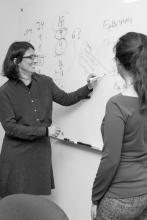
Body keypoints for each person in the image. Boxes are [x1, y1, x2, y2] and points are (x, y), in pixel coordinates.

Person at [0, 41, 97, 198]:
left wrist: (88, 87)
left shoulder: (45, 82)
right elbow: (10, 127)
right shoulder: (4, 92)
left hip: (40, 151)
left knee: (35, 202)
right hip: (16, 156)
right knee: (15, 202)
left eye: (35, 56)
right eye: (30, 57)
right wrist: (45, 131)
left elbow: (66, 98)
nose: (34, 60)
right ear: (16, 61)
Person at [91, 32, 147, 220]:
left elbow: (111, 159)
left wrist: (96, 197)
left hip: (120, 195)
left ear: (119, 63)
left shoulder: (117, 104)